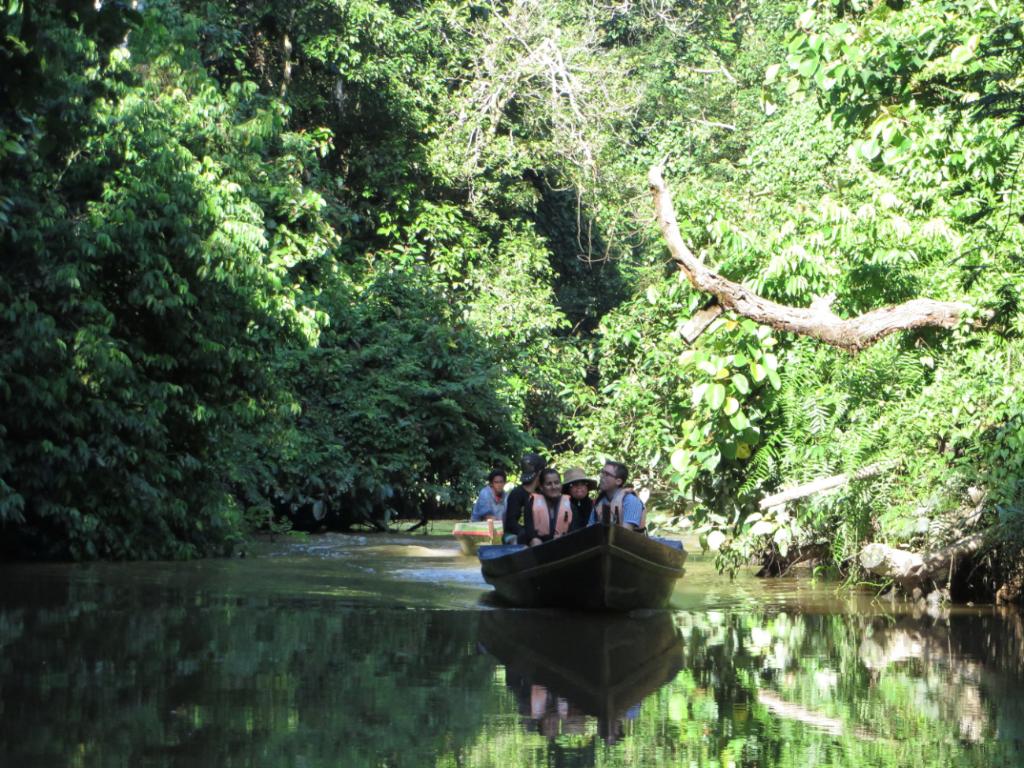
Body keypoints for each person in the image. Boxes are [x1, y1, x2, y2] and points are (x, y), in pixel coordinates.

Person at [589, 460, 646, 531]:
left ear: (618, 481)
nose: (601, 477)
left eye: (606, 474)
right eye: (602, 473)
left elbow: (626, 533)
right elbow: (590, 529)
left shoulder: (631, 500)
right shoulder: (600, 501)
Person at [503, 452, 546, 544]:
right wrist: (530, 534)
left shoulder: (542, 493)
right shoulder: (516, 494)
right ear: (540, 472)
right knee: (515, 540)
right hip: (517, 533)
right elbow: (511, 523)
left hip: (537, 533)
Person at [526, 468, 572, 546]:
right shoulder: (532, 503)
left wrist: (563, 537)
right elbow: (529, 531)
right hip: (540, 545)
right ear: (541, 487)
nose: (553, 487)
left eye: (556, 483)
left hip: (563, 544)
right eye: (549, 484)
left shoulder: (569, 503)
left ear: (561, 485)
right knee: (535, 541)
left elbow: (575, 530)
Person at [561, 467, 596, 531]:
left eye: (583, 484)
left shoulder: (595, 505)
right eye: (574, 484)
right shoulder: (562, 507)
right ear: (568, 489)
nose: (579, 487)